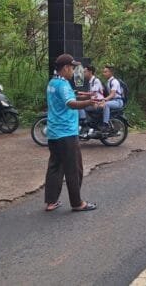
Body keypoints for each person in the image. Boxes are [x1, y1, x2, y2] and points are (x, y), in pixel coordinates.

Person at [44, 54, 103, 212]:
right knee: (74, 168)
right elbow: (70, 103)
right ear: (65, 68)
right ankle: (77, 203)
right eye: (72, 68)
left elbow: (66, 97)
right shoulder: (63, 84)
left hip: (54, 133)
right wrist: (89, 102)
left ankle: (51, 201)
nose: (73, 71)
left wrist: (83, 95)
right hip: (66, 133)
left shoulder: (53, 82)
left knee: (55, 166)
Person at [78, 65, 105, 134]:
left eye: (85, 72)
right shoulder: (90, 81)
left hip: (98, 103)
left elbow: (93, 93)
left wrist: (81, 92)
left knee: (83, 107)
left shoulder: (96, 80)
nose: (84, 73)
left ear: (90, 72)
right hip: (93, 102)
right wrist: (78, 97)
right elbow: (89, 94)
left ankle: (85, 125)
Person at [100, 65, 125, 130]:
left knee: (106, 105)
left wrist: (105, 99)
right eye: (103, 72)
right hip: (113, 101)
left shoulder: (114, 81)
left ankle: (105, 124)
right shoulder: (108, 82)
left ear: (110, 72)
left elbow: (112, 94)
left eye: (105, 72)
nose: (104, 74)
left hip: (118, 101)